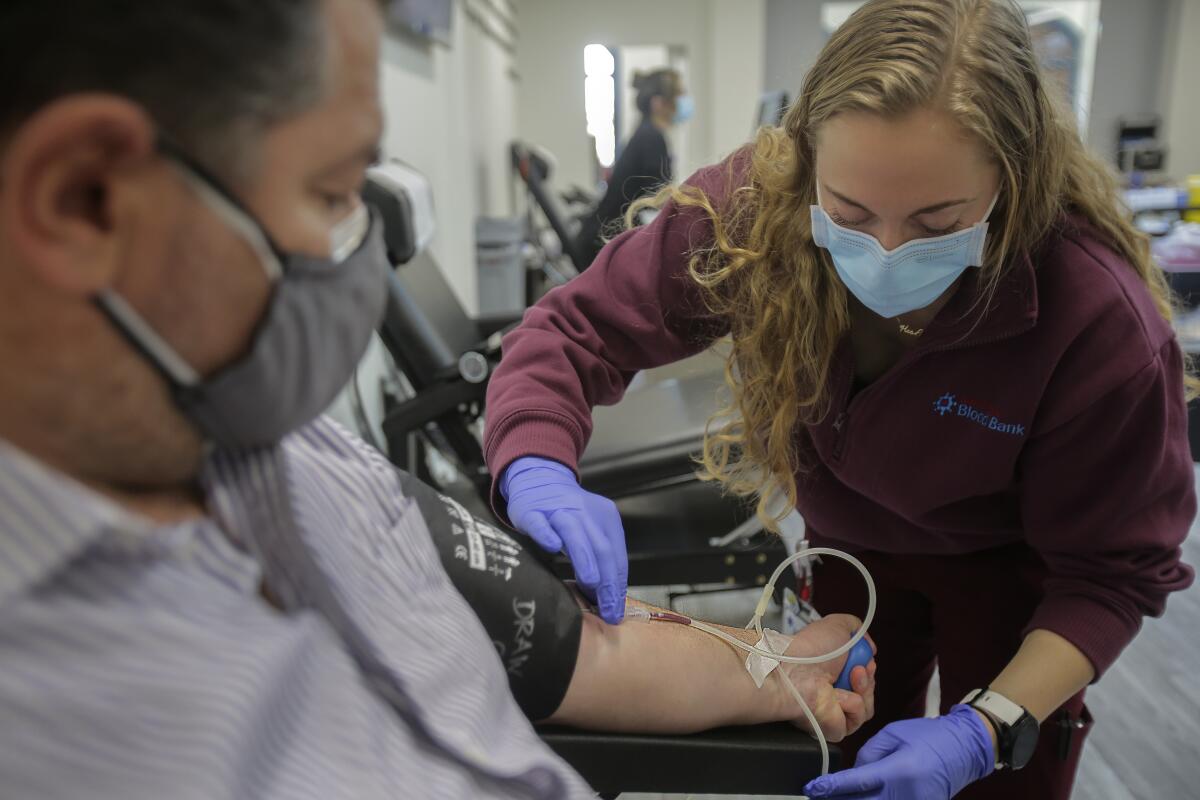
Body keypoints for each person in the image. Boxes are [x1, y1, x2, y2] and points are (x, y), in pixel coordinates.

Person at [0, 0, 878, 797]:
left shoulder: (289, 454)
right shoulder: (59, 719)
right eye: (333, 193)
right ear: (86, 200)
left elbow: (577, 652)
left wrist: (780, 665)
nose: (360, 258)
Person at [483, 1, 1196, 798]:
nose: (887, 253)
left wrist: (983, 728)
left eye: (938, 222)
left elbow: (1111, 574)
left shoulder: (1096, 320)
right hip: (851, 551)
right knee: (833, 758)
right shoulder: (758, 210)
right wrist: (537, 462)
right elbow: (576, 331)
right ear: (805, 161)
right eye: (850, 215)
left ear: (1013, 183)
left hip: (1014, 576)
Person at [574, 68, 691, 267]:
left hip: (601, 240)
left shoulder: (645, 133)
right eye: (679, 96)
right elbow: (660, 200)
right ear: (658, 103)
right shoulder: (651, 138)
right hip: (602, 248)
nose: (684, 102)